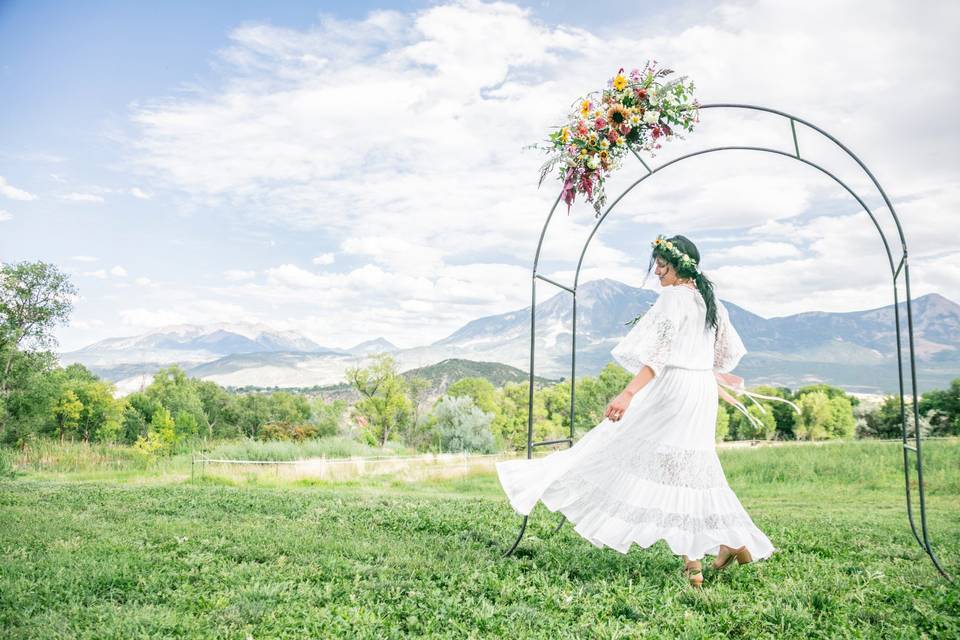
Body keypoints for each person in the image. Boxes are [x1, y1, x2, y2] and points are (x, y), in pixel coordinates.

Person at [495, 233, 775, 588]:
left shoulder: (673, 299)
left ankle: (697, 565)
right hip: (701, 389)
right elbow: (722, 357)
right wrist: (698, 369)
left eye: (662, 264)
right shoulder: (713, 303)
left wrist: (627, 394)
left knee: (641, 453)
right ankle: (731, 544)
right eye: (656, 263)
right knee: (692, 468)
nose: (657, 271)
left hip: (673, 388)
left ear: (680, 266)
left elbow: (656, 357)